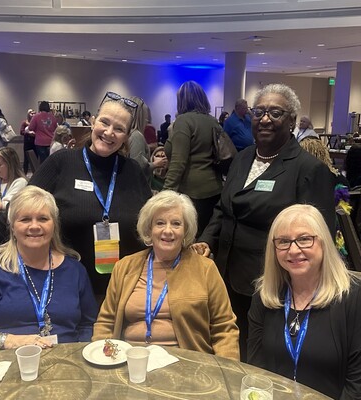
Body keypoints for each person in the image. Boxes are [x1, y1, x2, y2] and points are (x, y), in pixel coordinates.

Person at [0, 91, 153, 300]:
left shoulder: (133, 171)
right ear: (93, 121)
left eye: (119, 129)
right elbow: (17, 209)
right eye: (104, 122)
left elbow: (150, 225)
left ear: (127, 136)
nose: (109, 132)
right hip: (67, 289)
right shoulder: (62, 162)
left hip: (125, 289)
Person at [194, 83, 336, 360]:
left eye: (275, 112)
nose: (265, 119)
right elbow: (224, 208)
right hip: (226, 274)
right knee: (228, 345)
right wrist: (205, 240)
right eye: (259, 112)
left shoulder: (308, 169)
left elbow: (320, 238)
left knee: (258, 356)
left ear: (292, 120)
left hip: (272, 284)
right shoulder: (242, 157)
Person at [93, 190, 239, 359]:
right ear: (149, 229)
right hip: (130, 361)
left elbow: (224, 328)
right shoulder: (125, 267)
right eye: (160, 223)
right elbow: (106, 322)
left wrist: (226, 369)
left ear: (185, 230)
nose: (168, 230)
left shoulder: (206, 269)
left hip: (187, 364)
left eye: (176, 224)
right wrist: (102, 361)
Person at [0, 186, 98, 356]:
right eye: (25, 219)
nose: (34, 226)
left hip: (66, 364)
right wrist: (12, 342)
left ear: (54, 225)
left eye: (43, 219)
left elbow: (89, 325)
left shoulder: (75, 270)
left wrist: (79, 355)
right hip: (7, 362)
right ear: (12, 227)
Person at [247, 204, 361, 399]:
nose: (293, 250)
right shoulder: (265, 295)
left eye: (304, 239)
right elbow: (256, 369)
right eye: (283, 241)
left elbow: (357, 385)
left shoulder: (354, 297)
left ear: (324, 242)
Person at [164, 81, 224, 237]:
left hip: (191, 193)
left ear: (181, 100)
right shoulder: (213, 121)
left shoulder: (183, 121)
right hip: (215, 189)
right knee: (206, 239)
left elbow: (178, 162)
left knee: (188, 240)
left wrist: (165, 195)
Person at [128, 97, 168, 184]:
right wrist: (155, 164)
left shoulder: (127, 134)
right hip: (139, 187)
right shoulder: (136, 136)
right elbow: (138, 169)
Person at [20, 108, 36, 175]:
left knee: (34, 159)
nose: (32, 114)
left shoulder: (36, 122)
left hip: (35, 143)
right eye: (31, 113)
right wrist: (28, 133)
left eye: (34, 113)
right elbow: (21, 132)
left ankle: (35, 174)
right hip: (27, 142)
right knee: (26, 159)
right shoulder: (25, 122)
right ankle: (25, 174)